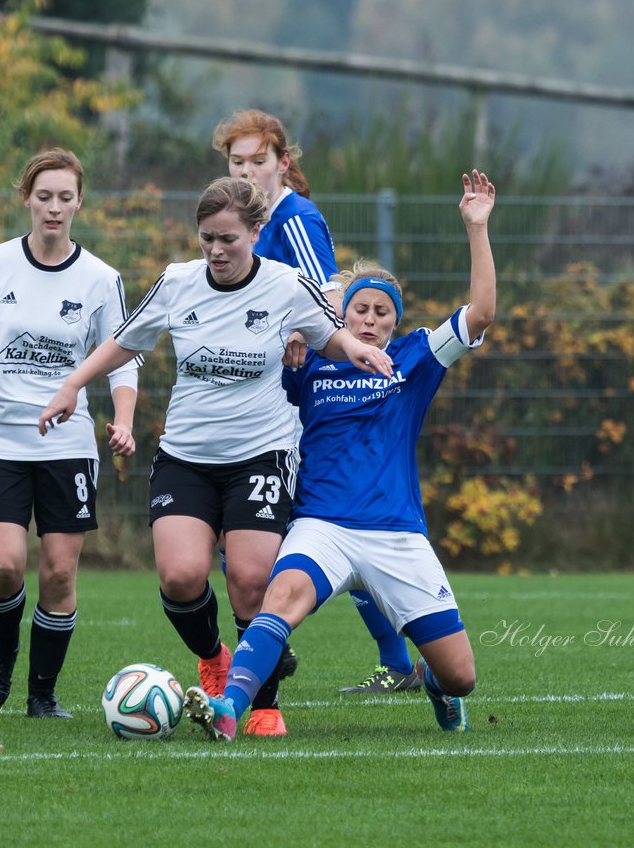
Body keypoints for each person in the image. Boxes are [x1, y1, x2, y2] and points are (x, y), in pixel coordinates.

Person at [37, 176, 394, 737]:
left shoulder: (284, 285)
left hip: (262, 454)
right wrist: (71, 385)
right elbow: (123, 342)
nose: (216, 251)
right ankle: (213, 657)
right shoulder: (178, 284)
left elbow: (329, 337)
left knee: (252, 582)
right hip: (187, 455)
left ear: (255, 232)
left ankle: (265, 705)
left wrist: (357, 350)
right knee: (180, 577)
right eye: (206, 239)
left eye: (228, 238)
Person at [181, 169, 498, 741]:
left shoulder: (414, 359)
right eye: (360, 310)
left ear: (395, 321)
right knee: (281, 596)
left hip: (396, 532)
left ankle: (433, 685)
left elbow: (480, 314)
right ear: (343, 317)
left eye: (382, 311)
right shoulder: (311, 361)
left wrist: (476, 228)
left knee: (461, 677)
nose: (370, 320)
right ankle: (229, 707)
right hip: (321, 523)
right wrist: (286, 350)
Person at [214, 108, 420, 695]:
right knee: (281, 533)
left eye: (259, 160)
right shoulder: (243, 221)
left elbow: (327, 299)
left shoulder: (294, 218)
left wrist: (312, 356)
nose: (249, 171)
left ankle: (267, 646)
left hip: (295, 398)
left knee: (292, 530)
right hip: (262, 391)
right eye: (237, 162)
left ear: (283, 162)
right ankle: (391, 661)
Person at [0, 148, 138, 719]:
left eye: (65, 197)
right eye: (44, 196)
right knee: (4, 565)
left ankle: (42, 694)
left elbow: (123, 360)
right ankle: (2, 651)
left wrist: (122, 421)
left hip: (69, 442)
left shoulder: (102, 279)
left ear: (80, 202)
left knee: (58, 570)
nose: (54, 208)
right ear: (26, 198)